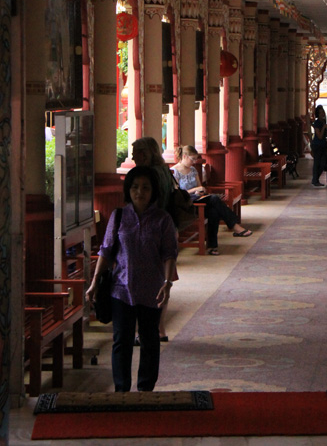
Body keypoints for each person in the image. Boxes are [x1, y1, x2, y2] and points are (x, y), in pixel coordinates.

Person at [86, 166, 178, 392]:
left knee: (149, 341)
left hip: (152, 290)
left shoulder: (162, 220)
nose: (140, 192)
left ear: (153, 191)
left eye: (146, 188)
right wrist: (94, 282)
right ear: (129, 190)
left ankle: (145, 389)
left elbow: (169, 254)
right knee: (121, 343)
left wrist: (167, 283)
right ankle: (122, 390)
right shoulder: (118, 217)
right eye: (135, 187)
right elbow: (106, 251)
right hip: (121, 290)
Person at [131, 136, 176, 340]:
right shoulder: (165, 171)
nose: (132, 157)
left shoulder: (147, 175)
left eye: (136, 153)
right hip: (168, 227)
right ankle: (160, 329)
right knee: (163, 279)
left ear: (145, 154)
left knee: (145, 281)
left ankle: (145, 330)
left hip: (149, 231)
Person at [172, 144, 252, 255]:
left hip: (198, 200)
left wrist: (200, 191)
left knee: (214, 212)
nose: (194, 162)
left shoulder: (193, 170)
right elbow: (177, 194)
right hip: (186, 204)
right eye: (193, 159)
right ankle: (234, 225)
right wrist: (195, 189)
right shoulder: (174, 172)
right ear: (184, 156)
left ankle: (212, 247)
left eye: (196, 159)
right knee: (214, 198)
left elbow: (200, 187)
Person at [310, 104, 327, 187]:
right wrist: (324, 128)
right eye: (320, 112)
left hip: (323, 145)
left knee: (324, 163)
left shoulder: (323, 122)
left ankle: (315, 179)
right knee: (317, 163)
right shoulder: (317, 123)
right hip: (317, 145)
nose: (322, 113)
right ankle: (315, 179)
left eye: (323, 112)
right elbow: (319, 136)